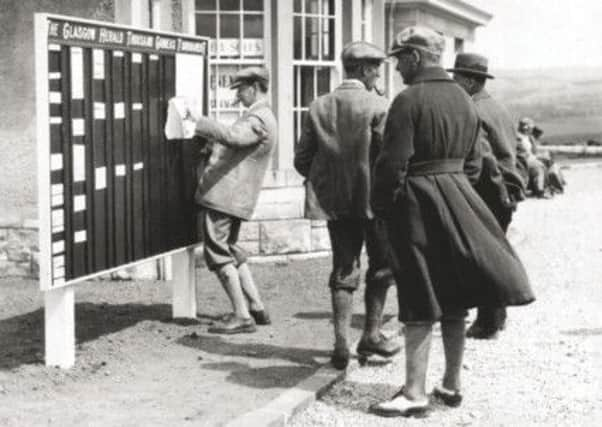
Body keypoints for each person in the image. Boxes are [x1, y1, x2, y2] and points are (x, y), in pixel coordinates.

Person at [370, 26, 535, 417]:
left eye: (398, 59)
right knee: (454, 296)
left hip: (416, 204)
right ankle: (451, 383)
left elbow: (392, 164)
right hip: (459, 198)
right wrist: (456, 191)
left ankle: (413, 392)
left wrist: (383, 208)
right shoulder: (465, 99)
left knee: (417, 295)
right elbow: (477, 165)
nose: (397, 67)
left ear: (413, 57)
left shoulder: (408, 100)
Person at [294, 41, 401, 370]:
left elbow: (302, 161)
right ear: (366, 69)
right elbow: (390, 159)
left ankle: (341, 344)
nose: (379, 74)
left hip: (334, 204)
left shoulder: (318, 106)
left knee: (343, 270)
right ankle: (370, 335)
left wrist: (328, 181)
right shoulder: (380, 106)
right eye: (376, 69)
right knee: (382, 268)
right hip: (375, 203)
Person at [191, 66, 276, 334]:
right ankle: (256, 307)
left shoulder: (258, 118)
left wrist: (197, 121)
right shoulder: (263, 116)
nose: (238, 95)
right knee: (231, 250)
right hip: (235, 198)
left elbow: (233, 137)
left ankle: (241, 316)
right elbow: (237, 148)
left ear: (254, 86)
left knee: (217, 253)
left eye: (240, 89)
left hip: (223, 198)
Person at [448, 53, 526, 339]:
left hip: (491, 192)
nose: (454, 83)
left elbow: (486, 161)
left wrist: (486, 194)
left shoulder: (474, 110)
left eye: (457, 78)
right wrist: (515, 189)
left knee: (483, 257)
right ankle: (497, 315)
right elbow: (515, 151)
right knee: (495, 251)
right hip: (507, 190)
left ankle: (487, 322)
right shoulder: (497, 107)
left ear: (469, 81)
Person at [516, 117, 549, 198]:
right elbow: (523, 153)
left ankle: (545, 186)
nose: (532, 130)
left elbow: (534, 151)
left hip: (528, 158)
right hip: (523, 160)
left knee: (546, 160)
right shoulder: (519, 138)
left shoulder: (527, 137)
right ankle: (539, 190)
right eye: (531, 128)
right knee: (538, 166)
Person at [532, 126, 566, 194]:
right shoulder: (532, 140)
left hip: (535, 158)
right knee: (552, 164)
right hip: (534, 159)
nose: (540, 136)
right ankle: (560, 182)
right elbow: (533, 153)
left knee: (552, 163)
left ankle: (560, 181)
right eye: (539, 134)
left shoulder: (533, 140)